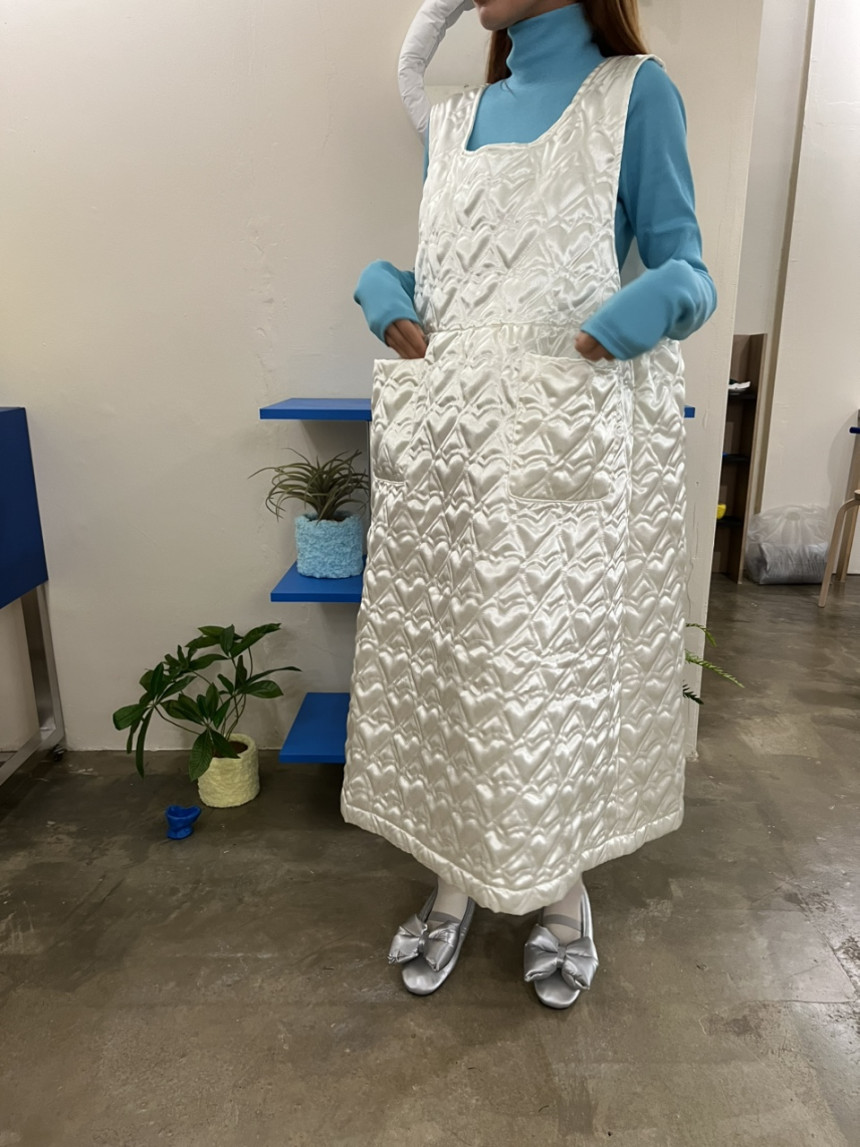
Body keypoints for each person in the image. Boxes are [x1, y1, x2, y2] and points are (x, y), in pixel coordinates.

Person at [341, 0, 716, 1009]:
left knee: (545, 686)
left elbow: (687, 267)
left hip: (557, 469)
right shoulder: (456, 119)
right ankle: (452, 880)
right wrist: (388, 287)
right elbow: (455, 280)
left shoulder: (633, 96)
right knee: (453, 675)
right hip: (453, 462)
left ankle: (560, 892)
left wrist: (652, 303)